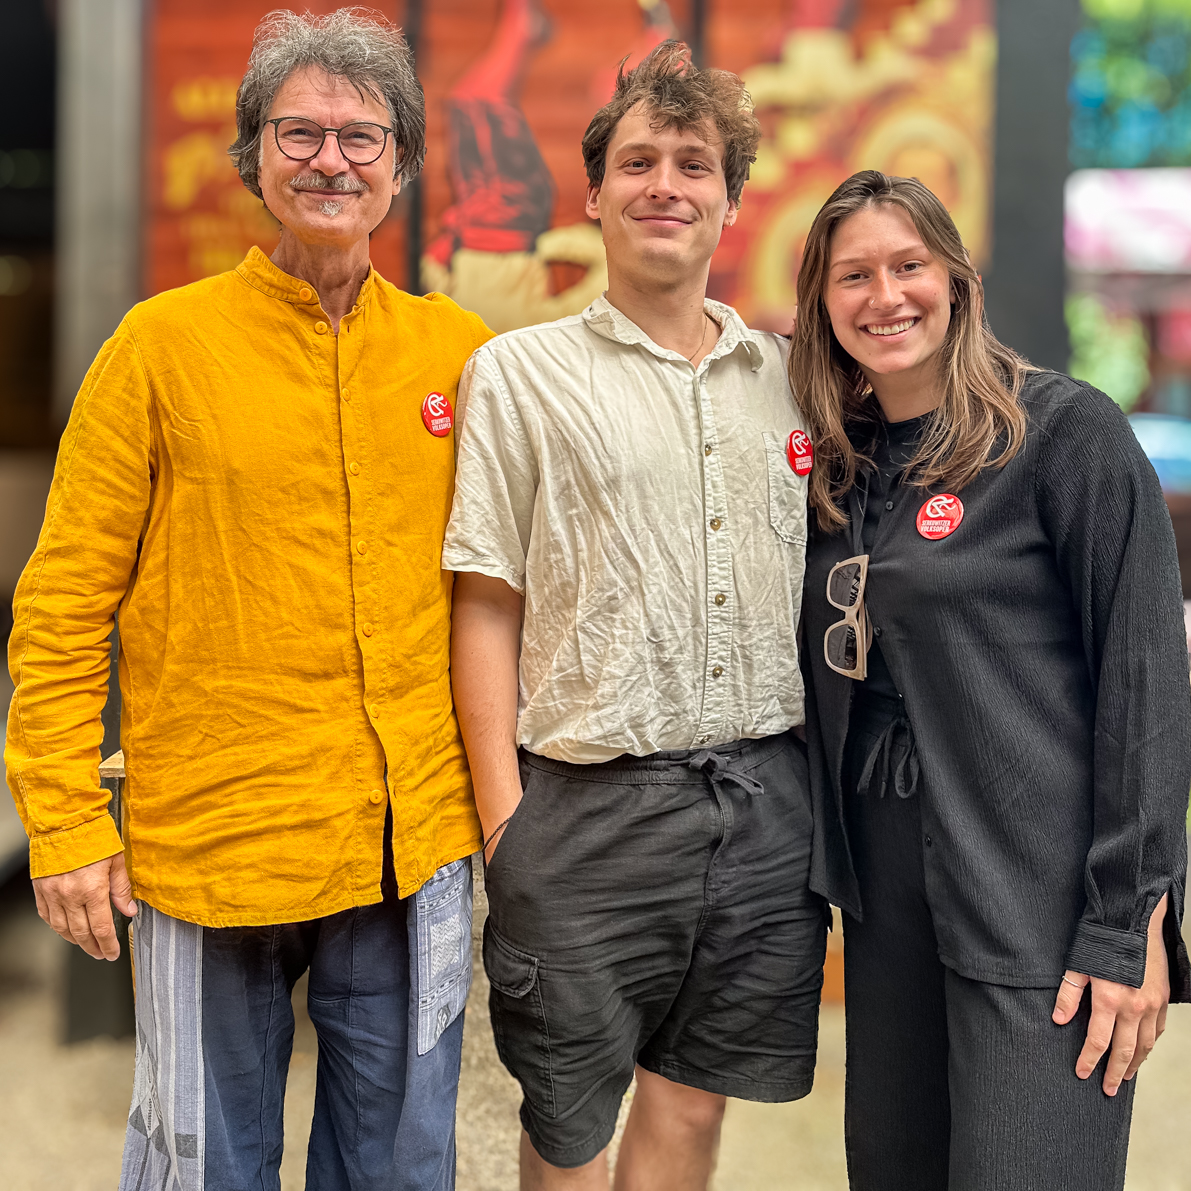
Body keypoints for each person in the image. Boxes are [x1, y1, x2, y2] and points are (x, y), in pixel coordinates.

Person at [5, 11, 492, 1190]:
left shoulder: (457, 353)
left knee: (399, 1163)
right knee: (204, 1164)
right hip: (213, 836)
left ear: (402, 165)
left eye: (362, 136)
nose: (332, 159)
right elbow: (63, 601)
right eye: (299, 132)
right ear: (254, 157)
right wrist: (64, 824)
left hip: (408, 837)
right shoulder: (161, 347)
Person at [445, 41, 827, 1191]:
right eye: (639, 161)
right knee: (570, 1127)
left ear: (730, 199)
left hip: (764, 806)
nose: (666, 184)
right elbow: (485, 602)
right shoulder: (518, 374)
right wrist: (507, 828)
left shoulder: (795, 379)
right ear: (595, 195)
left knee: (694, 1109)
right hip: (583, 810)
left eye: (694, 164)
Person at [792, 169, 1191, 1190]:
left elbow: (1146, 686)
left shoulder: (1064, 434)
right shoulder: (836, 466)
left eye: (909, 265)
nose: (885, 296)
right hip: (887, 911)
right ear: (821, 303)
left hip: (1038, 906)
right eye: (853, 276)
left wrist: (1129, 922)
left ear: (958, 281)